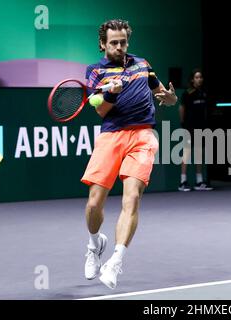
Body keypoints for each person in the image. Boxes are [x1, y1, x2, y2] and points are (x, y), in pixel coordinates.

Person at [81, 19, 178, 289]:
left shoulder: (142, 64)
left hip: (143, 135)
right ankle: (94, 244)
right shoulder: (94, 72)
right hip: (112, 135)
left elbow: (162, 93)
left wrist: (170, 98)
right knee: (93, 204)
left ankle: (115, 260)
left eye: (123, 42)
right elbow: (100, 111)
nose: (120, 47)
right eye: (114, 43)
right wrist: (111, 94)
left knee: (132, 197)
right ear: (102, 44)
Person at [178, 68, 213, 191]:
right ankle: (182, 182)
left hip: (201, 127)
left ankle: (199, 182)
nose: (199, 79)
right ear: (192, 79)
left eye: (200, 77)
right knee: (187, 153)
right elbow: (181, 108)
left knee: (199, 153)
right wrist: (183, 123)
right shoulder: (187, 93)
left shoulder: (204, 93)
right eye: (196, 77)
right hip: (189, 126)